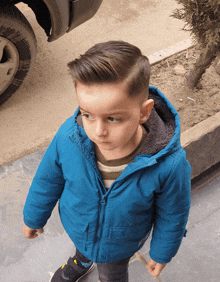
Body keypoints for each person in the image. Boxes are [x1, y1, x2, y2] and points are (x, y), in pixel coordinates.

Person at [23, 41, 191, 282]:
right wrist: (33, 215)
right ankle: (81, 260)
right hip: (79, 227)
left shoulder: (169, 165)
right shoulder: (68, 138)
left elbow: (173, 213)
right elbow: (48, 178)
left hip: (120, 245)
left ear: (144, 112)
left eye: (113, 118)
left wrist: (163, 251)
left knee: (112, 275)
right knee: (83, 248)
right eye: (87, 114)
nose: (98, 131)